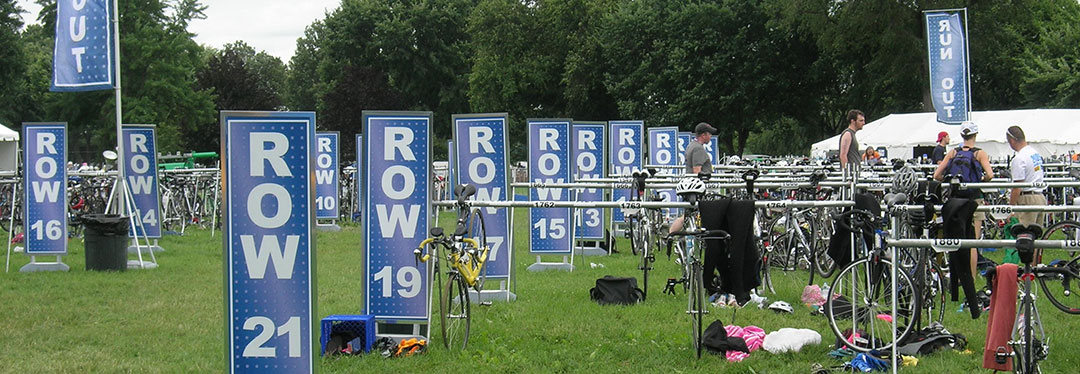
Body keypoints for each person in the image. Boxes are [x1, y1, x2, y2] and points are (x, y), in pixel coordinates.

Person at [934, 121, 993, 286]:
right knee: (973, 241)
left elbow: (937, 175)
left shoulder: (953, 152)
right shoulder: (979, 153)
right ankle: (971, 280)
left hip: (955, 202)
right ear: (975, 135)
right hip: (974, 199)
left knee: (956, 241)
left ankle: (957, 277)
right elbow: (990, 174)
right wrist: (980, 180)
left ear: (962, 135)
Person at [1006, 125, 1045, 227]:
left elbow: (1017, 187)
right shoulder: (1034, 153)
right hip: (1039, 196)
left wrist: (1011, 208)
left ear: (1012, 140)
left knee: (1024, 234)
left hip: (1027, 199)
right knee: (1036, 234)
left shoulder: (1019, 158)